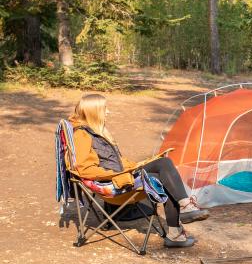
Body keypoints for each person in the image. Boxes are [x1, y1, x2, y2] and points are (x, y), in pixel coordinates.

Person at [69, 93, 209, 249]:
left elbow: (116, 162)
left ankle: (179, 223)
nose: (108, 112)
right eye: (105, 109)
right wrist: (119, 175)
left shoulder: (96, 131)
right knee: (163, 168)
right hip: (113, 182)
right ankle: (179, 223)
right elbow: (84, 169)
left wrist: (139, 164)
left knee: (163, 166)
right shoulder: (81, 134)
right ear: (93, 111)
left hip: (121, 175)